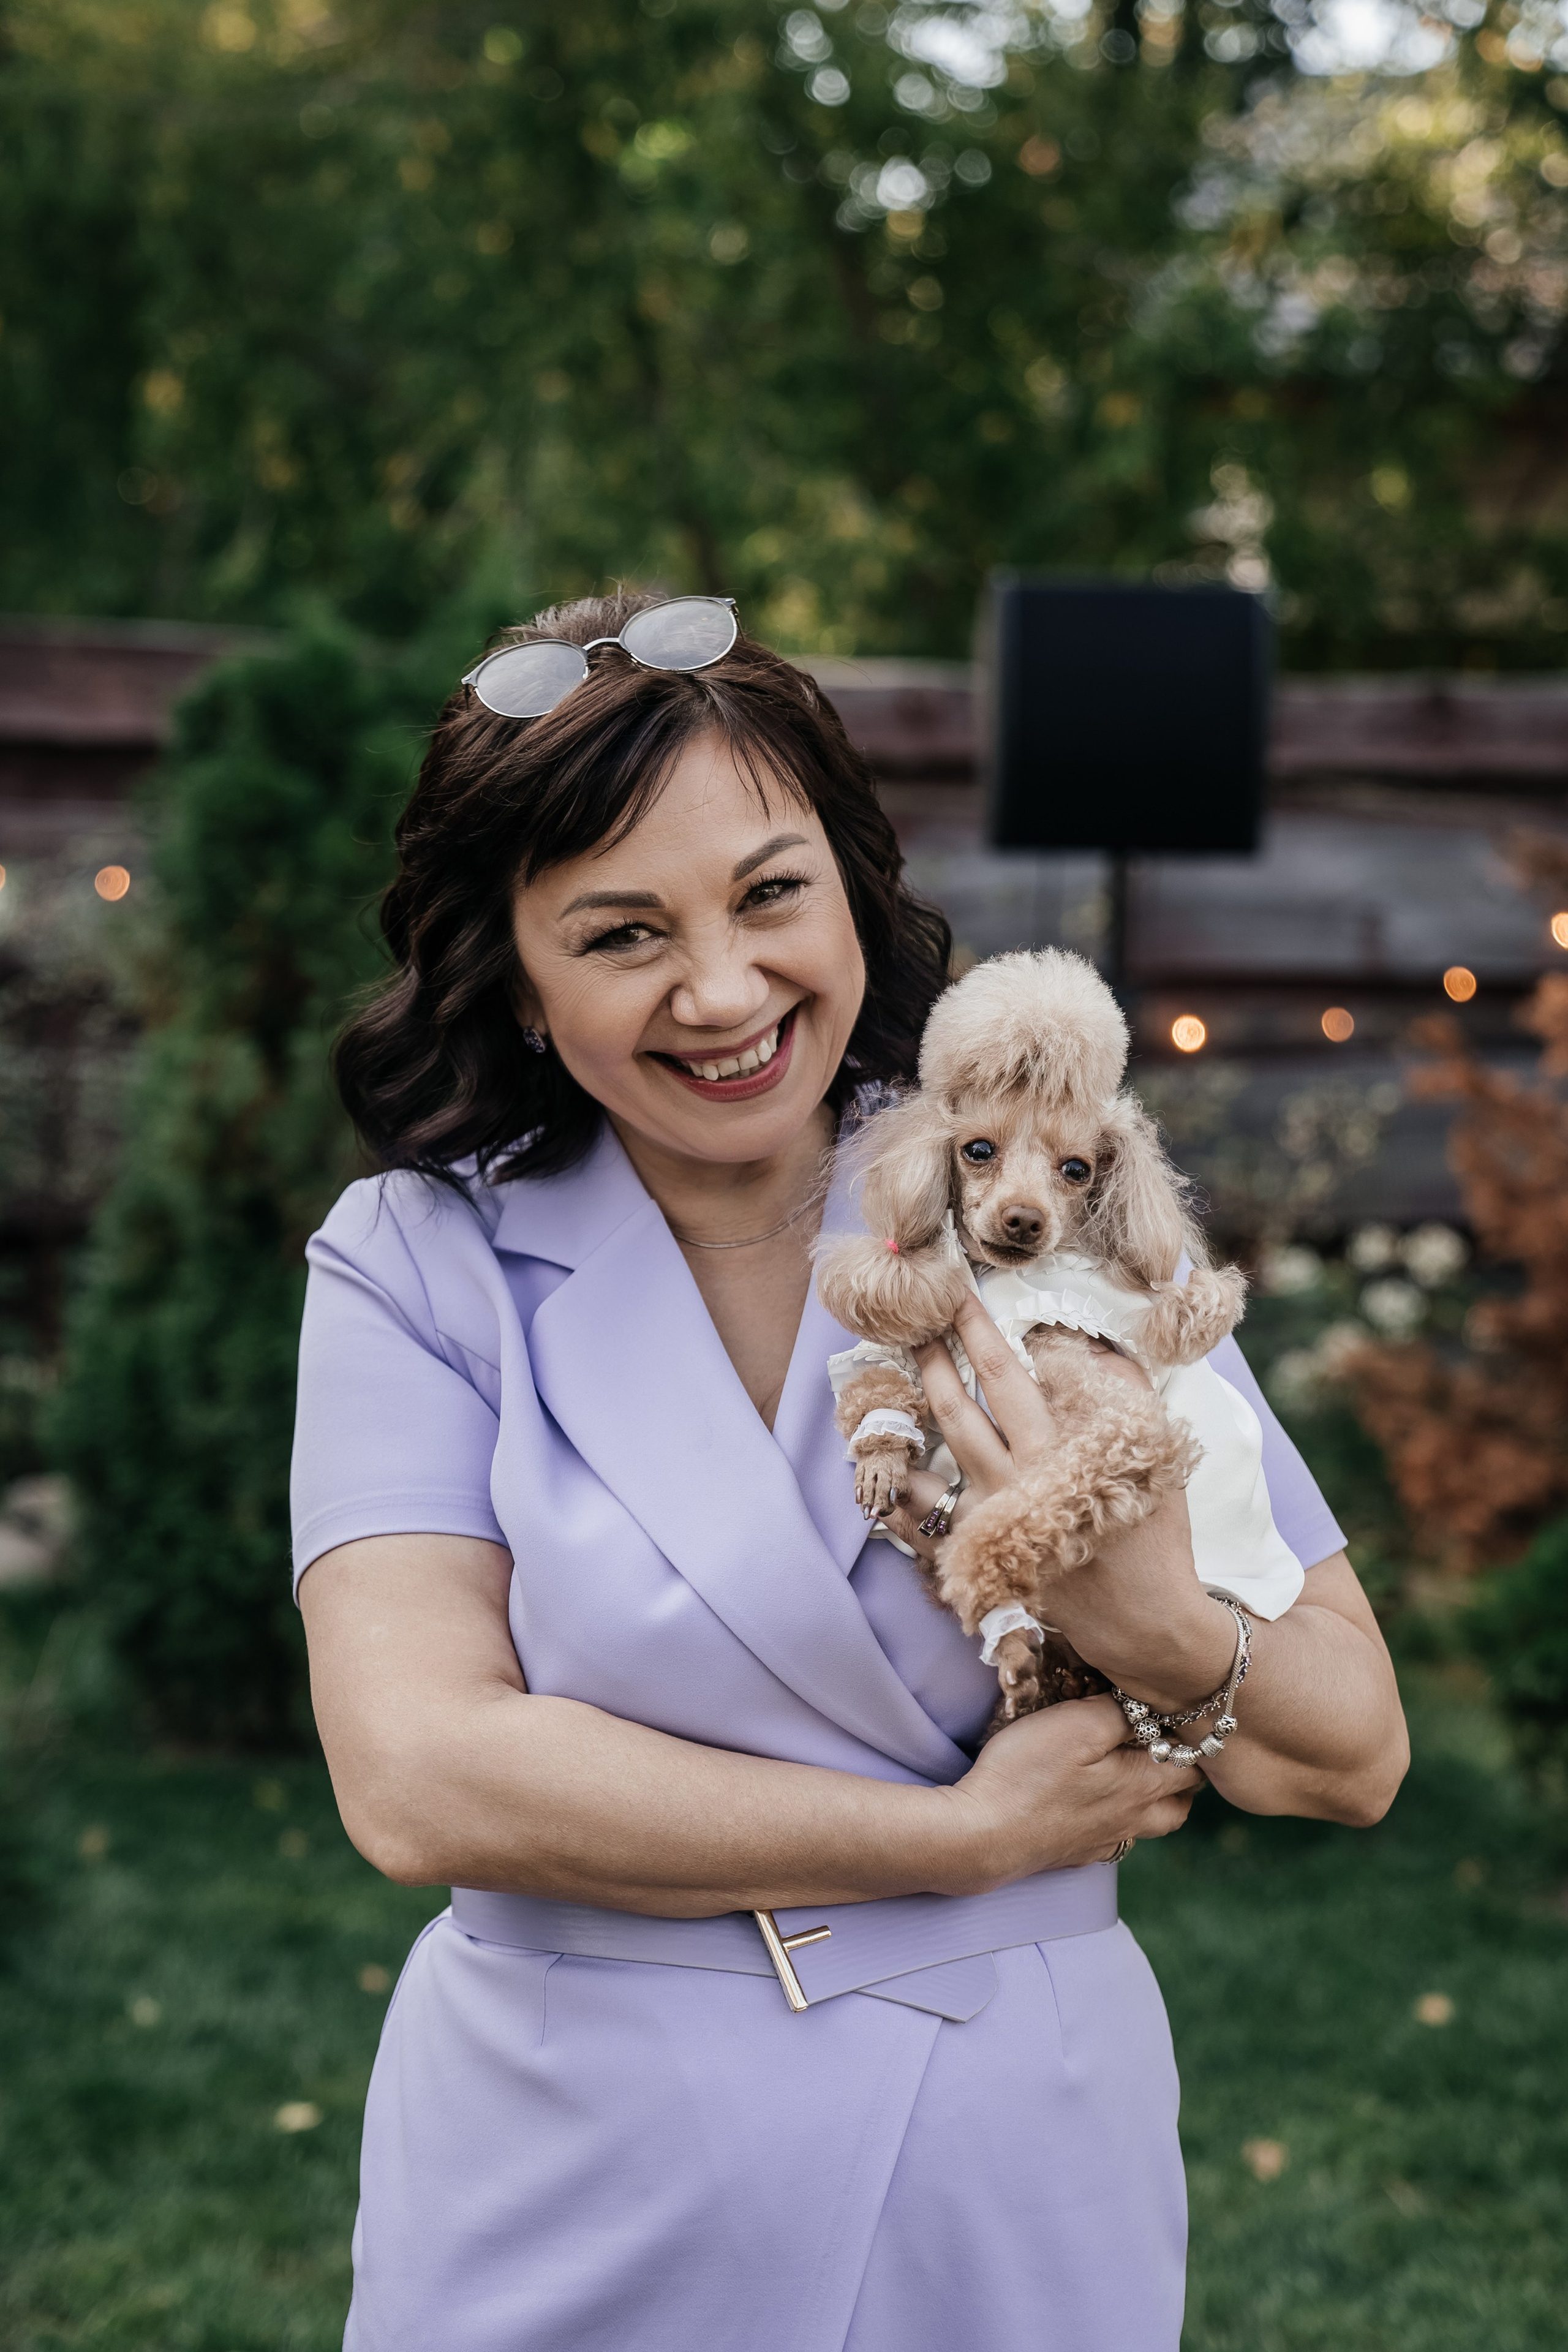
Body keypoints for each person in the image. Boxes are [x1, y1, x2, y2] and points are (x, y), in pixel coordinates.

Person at [293, 590, 1409, 2352]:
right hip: (559, 2178)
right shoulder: (414, 1265)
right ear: (512, 972)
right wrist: (957, 1843)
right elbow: (420, 1777)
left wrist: (1163, 1624)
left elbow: (1352, 1749)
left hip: (1009, 2179)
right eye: (620, 932)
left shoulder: (1035, 1207)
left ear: (849, 883)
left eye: (768, 893)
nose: (723, 990)